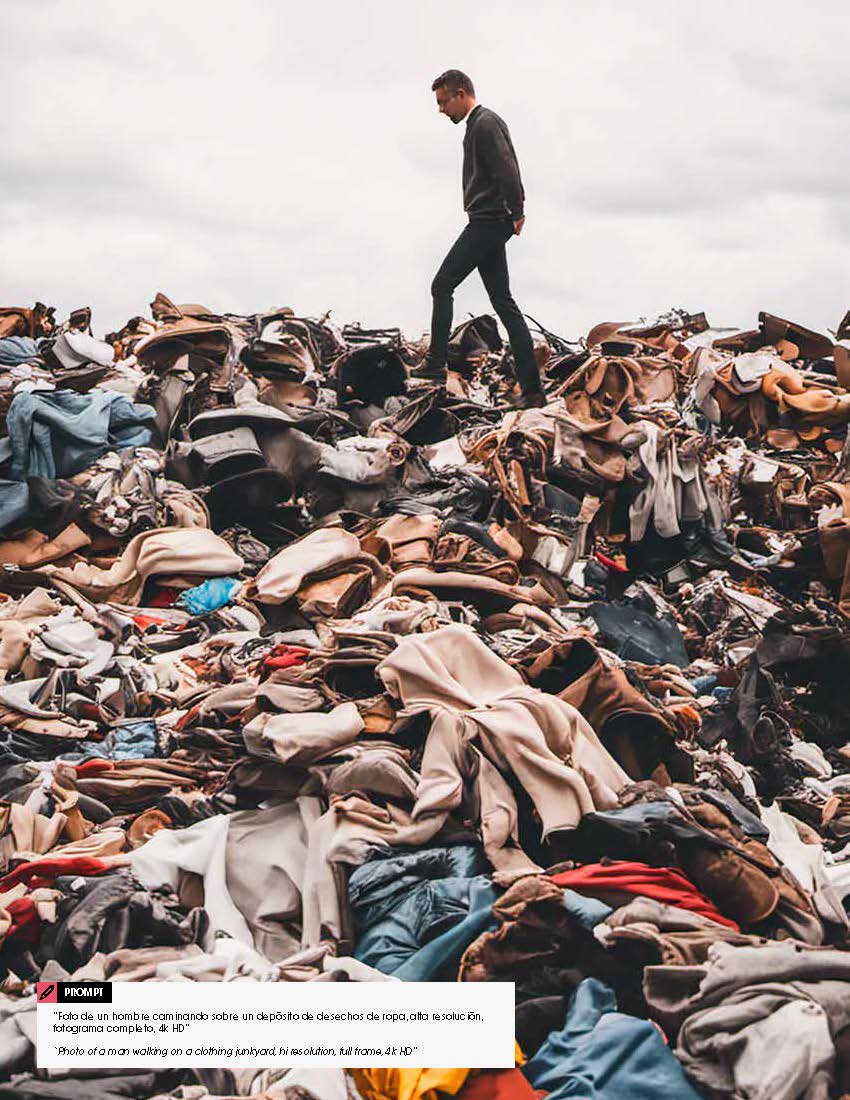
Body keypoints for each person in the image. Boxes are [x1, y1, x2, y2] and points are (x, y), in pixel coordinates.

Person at [420, 69, 544, 408]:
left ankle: (435, 366)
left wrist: (517, 211)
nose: (442, 109)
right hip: (488, 219)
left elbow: (507, 168)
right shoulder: (477, 125)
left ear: (462, 94)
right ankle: (533, 392)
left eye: (444, 101)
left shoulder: (485, 123)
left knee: (442, 285)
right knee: (503, 302)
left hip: (489, 221)